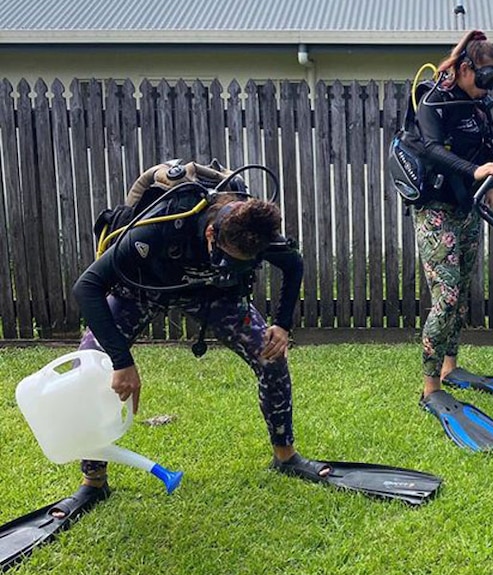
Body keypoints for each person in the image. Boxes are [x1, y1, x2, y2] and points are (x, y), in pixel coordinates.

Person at [70, 161, 319, 500]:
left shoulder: (259, 233)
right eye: (228, 259)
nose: (235, 266)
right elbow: (87, 286)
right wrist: (121, 361)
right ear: (210, 234)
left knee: (271, 357)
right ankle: (94, 482)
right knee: (88, 368)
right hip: (143, 289)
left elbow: (294, 263)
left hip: (212, 295)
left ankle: (285, 457)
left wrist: (282, 324)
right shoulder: (161, 227)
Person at [403, 30, 493, 451]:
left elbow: (489, 143)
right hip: (435, 207)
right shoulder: (433, 100)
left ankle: (452, 367)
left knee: (462, 288)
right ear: (465, 67)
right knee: (446, 296)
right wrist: (473, 172)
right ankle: (430, 386)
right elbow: (431, 148)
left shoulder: (478, 104)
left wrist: (490, 182)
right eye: (483, 78)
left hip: (466, 204)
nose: (488, 88)